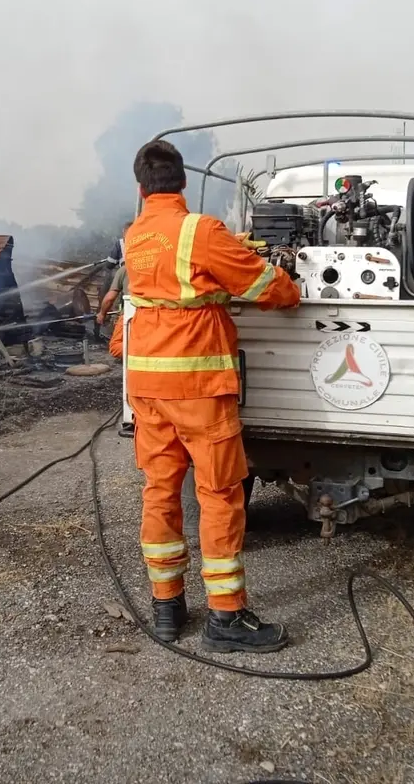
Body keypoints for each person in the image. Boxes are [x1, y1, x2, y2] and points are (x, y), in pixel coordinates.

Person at [124, 139, 301, 652]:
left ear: (142, 188)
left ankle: (167, 606)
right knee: (220, 493)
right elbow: (268, 286)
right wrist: (285, 284)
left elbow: (177, 288)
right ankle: (225, 617)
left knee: (160, 491)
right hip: (198, 386)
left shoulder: (135, 235)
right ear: (182, 182)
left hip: (147, 387)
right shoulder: (201, 231)